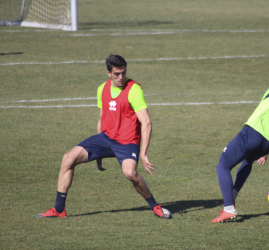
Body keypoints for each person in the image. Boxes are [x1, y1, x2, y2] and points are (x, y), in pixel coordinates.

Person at [35, 54, 172, 219]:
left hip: (127, 142)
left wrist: (143, 153)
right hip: (106, 138)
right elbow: (101, 118)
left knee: (130, 173)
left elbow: (147, 123)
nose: (121, 77)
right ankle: (59, 209)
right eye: (117, 74)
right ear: (109, 73)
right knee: (68, 158)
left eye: (123, 73)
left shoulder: (134, 89)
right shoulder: (102, 89)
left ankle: (155, 206)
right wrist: (98, 153)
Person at [211, 69, 269, 223]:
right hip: (267, 143)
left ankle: (228, 208)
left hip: (253, 133)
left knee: (223, 165)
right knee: (248, 161)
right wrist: (265, 151)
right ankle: (233, 195)